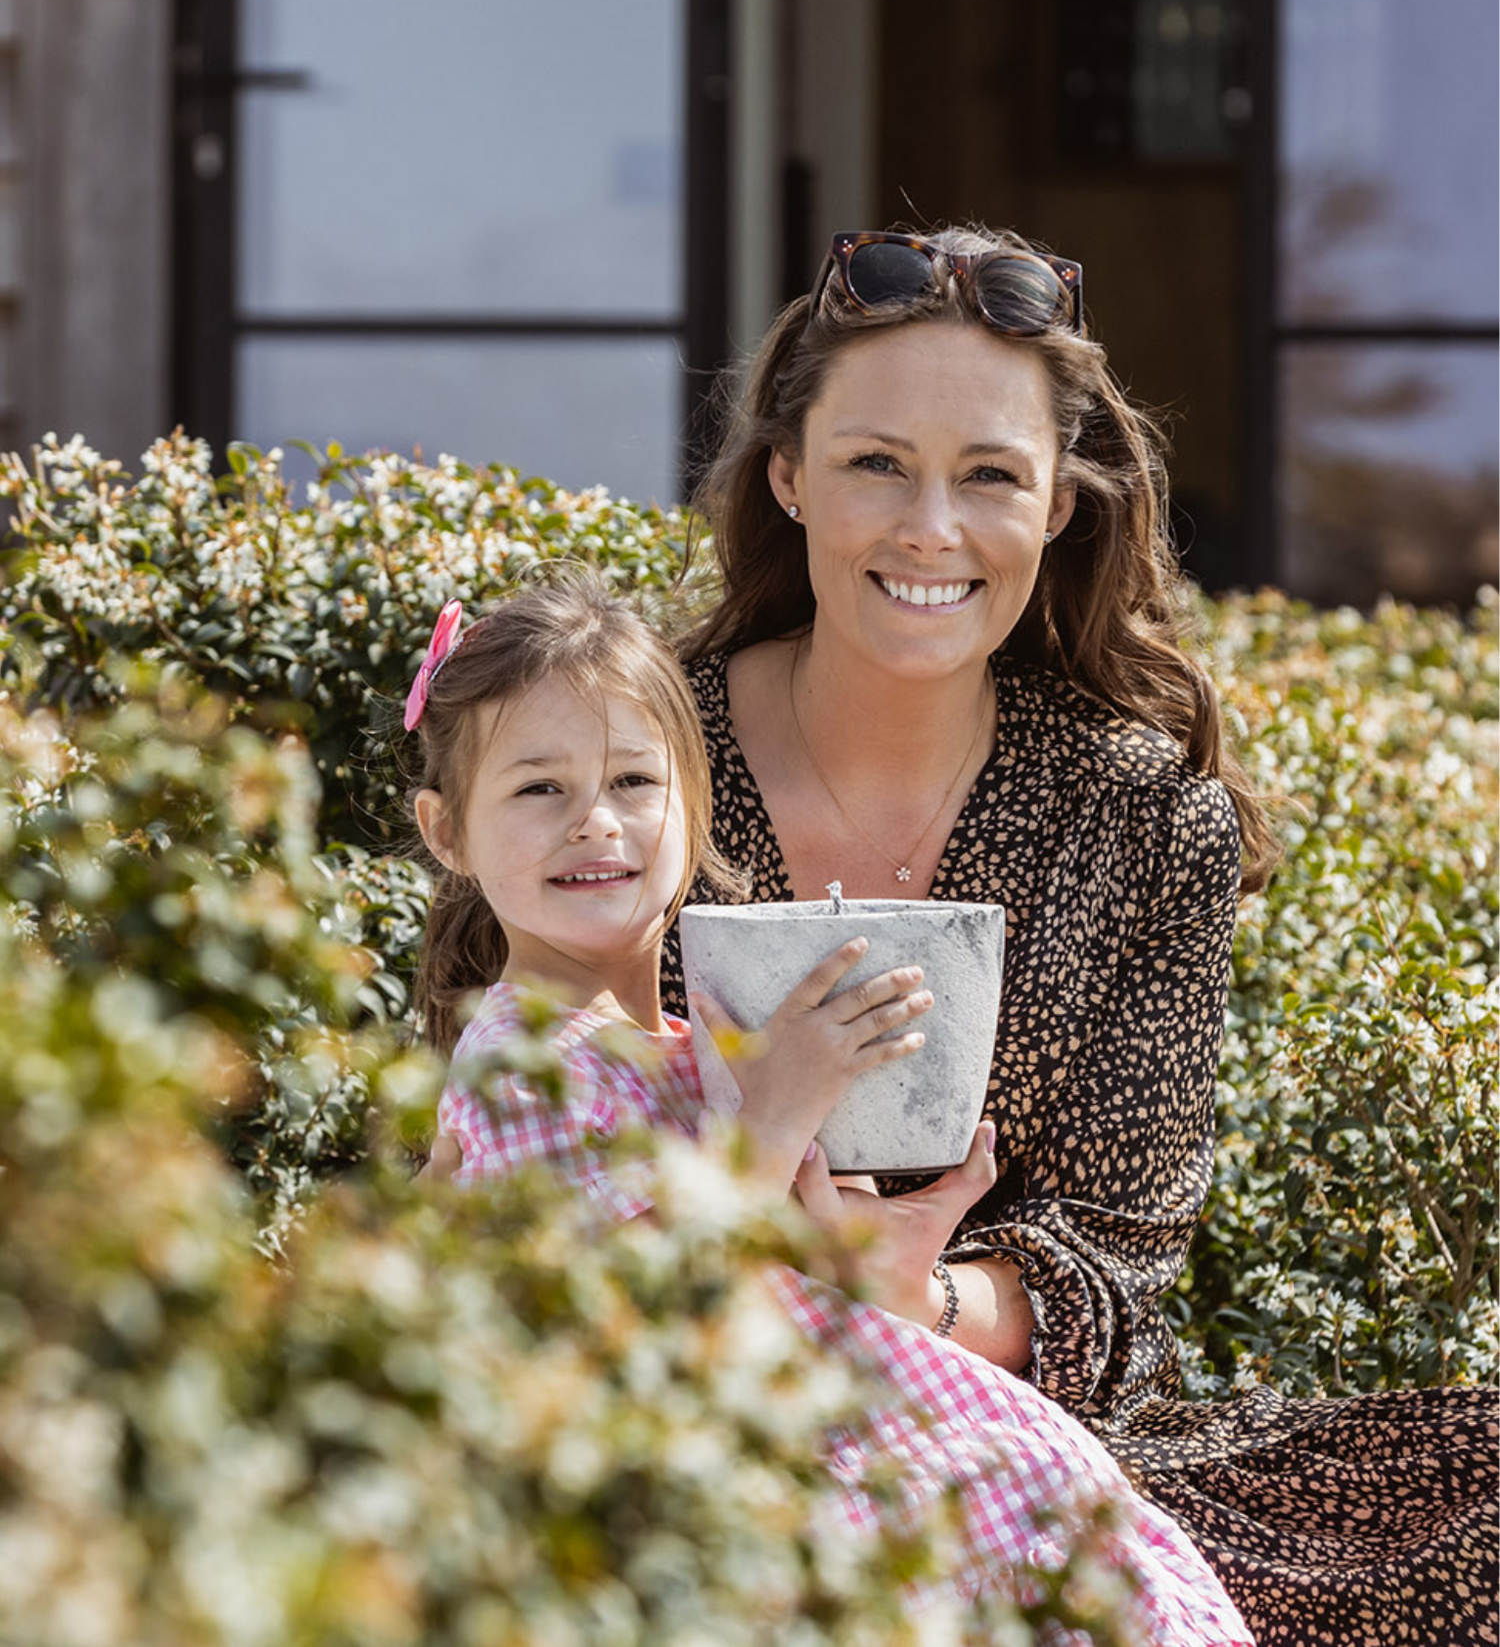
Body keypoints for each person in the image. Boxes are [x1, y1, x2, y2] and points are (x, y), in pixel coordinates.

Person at [659, 224, 1498, 1646]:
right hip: (678, 1400)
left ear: (1057, 507)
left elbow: (1116, 1260)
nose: (933, 528)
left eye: (990, 474)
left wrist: (915, 1296)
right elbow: (514, 1094)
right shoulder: (634, 758)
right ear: (788, 476)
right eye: (877, 463)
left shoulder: (1143, 813)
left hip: (1013, 1432)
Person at [405, 574, 1255, 1644]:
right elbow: (615, 1325)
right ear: (447, 832)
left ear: (693, 804)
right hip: (705, 1486)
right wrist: (773, 1114)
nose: (597, 822)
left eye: (634, 779)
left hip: (815, 1424)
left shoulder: (686, 1044)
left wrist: (869, 1252)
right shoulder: (520, 1059)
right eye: (538, 789)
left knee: (1067, 1532)